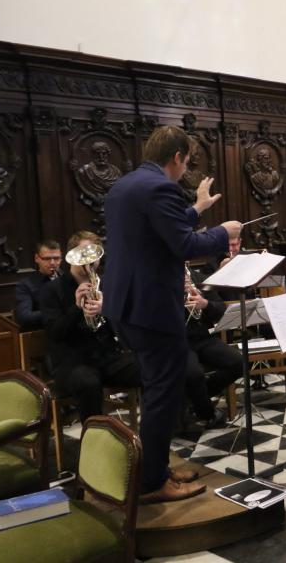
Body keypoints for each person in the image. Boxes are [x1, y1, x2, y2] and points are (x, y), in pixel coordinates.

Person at [102, 125, 241, 504]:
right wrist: (222, 232)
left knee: (158, 388)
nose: (185, 170)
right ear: (177, 157)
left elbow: (159, 229)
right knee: (164, 391)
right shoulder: (159, 187)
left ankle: (155, 468)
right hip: (150, 308)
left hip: (124, 305)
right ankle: (151, 484)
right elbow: (181, 243)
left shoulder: (125, 186)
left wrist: (197, 208)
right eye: (186, 162)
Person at [40, 231, 140, 423]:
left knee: (152, 366)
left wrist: (107, 308)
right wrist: (76, 308)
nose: (90, 262)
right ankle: (94, 439)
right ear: (71, 256)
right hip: (72, 362)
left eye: (94, 256)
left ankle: (155, 429)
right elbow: (55, 333)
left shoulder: (107, 285)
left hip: (108, 357)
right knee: (88, 383)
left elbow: (124, 325)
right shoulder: (52, 290)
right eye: (84, 255)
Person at [181, 266, 242, 428]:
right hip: (178, 342)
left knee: (239, 361)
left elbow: (221, 309)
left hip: (203, 338)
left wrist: (205, 303)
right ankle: (207, 413)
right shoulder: (160, 280)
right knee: (194, 374)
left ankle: (196, 400)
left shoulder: (200, 278)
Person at [14, 239, 63, 331]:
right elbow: (24, 318)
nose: (52, 263)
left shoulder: (67, 279)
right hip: (43, 334)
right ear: (37, 258)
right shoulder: (25, 285)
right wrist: (56, 311)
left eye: (56, 258)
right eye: (47, 259)